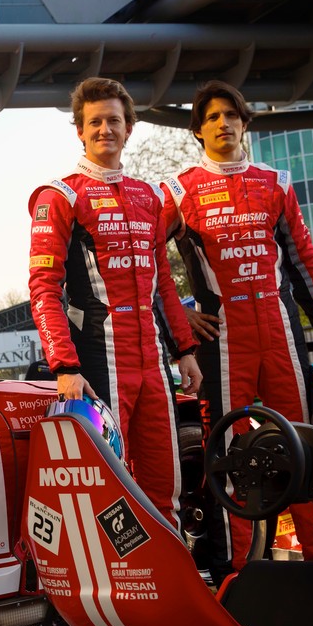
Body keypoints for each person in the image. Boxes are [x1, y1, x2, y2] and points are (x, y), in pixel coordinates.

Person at [161, 79, 313, 580]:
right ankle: (237, 570)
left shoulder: (276, 182)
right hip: (223, 340)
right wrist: (179, 317)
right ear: (198, 130)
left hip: (280, 329)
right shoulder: (178, 190)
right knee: (229, 452)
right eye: (212, 117)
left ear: (245, 123)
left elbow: (304, 258)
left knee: (303, 443)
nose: (223, 123)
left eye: (231, 115)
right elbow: (143, 258)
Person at [28, 76, 202, 523]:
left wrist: (185, 350)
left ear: (129, 129)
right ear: (80, 131)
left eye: (114, 121)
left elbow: (164, 284)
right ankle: (115, 571)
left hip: (153, 363)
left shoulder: (149, 196)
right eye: (95, 122)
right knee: (110, 488)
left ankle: (166, 565)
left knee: (165, 485)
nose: (105, 129)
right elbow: (43, 288)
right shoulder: (60, 195)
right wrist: (65, 367)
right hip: (96, 360)